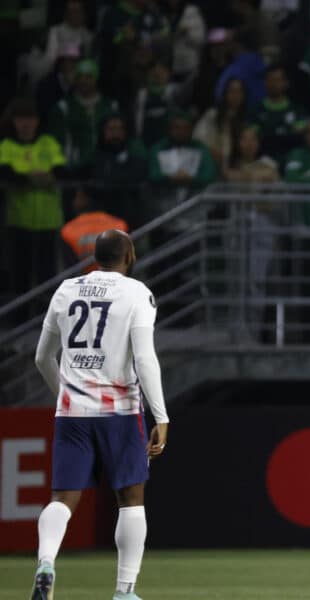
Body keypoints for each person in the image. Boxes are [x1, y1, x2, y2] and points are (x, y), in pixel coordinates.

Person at [31, 229, 169, 600]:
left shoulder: (66, 290)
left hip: (72, 413)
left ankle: (46, 562)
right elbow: (143, 357)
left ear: (95, 256)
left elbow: (42, 357)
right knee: (131, 499)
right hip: (120, 412)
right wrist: (161, 416)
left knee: (63, 498)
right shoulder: (137, 293)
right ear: (130, 255)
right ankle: (124, 591)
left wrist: (64, 395)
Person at [0, 99, 68, 293]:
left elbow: (63, 170)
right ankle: (20, 319)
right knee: (20, 274)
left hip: (49, 221)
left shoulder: (48, 143)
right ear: (13, 122)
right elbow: (5, 173)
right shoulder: (6, 146)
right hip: (19, 222)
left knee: (47, 275)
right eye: (20, 119)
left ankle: (45, 319)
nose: (25, 124)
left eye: (29, 118)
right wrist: (29, 178)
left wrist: (50, 176)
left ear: (37, 121)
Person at [47, 59, 120, 168]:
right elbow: (55, 141)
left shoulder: (110, 106)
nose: (84, 81)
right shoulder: (63, 107)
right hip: (73, 168)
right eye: (80, 76)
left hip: (107, 165)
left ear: (96, 78)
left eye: (89, 77)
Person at [61, 188, 129, 271]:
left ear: (85, 199)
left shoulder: (68, 230)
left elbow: (70, 269)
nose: (74, 201)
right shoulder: (120, 225)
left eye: (77, 197)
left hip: (83, 281)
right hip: (115, 280)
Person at [253, 65, 306, 166]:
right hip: (262, 161)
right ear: (265, 82)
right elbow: (254, 139)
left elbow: (298, 137)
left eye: (278, 80)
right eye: (270, 80)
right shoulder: (256, 110)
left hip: (291, 161)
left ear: (286, 83)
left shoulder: (297, 110)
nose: (274, 84)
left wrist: (269, 134)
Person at [194, 77, 247, 168]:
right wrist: (211, 151)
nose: (235, 95)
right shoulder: (212, 115)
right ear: (225, 94)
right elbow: (198, 140)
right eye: (232, 91)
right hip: (211, 164)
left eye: (239, 92)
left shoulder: (246, 119)